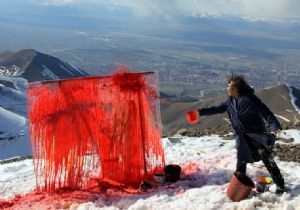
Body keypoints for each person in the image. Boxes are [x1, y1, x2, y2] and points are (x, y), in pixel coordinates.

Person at [191, 74, 287, 194]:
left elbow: (266, 113)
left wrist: (275, 127)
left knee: (267, 159)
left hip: (256, 136)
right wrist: (199, 112)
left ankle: (280, 185)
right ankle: (238, 188)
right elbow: (216, 109)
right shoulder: (229, 101)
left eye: (229, 86)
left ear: (236, 88)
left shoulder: (250, 99)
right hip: (242, 138)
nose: (227, 88)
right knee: (241, 161)